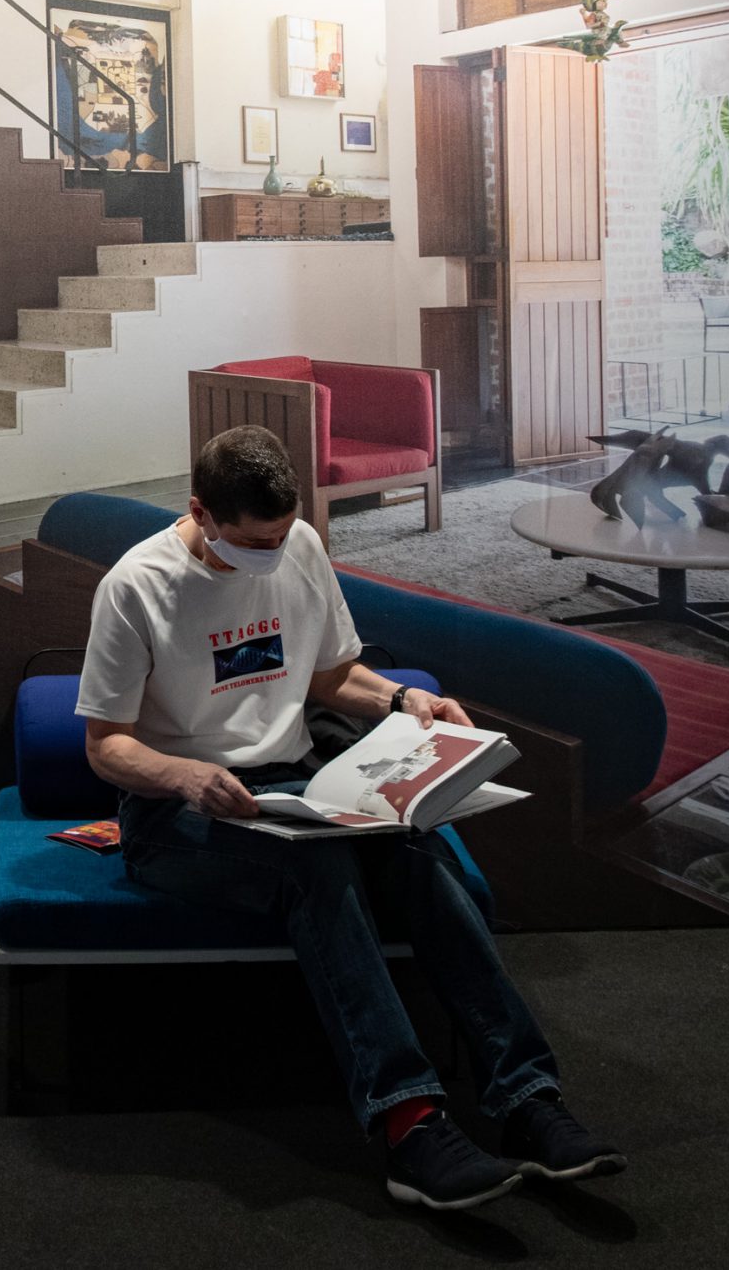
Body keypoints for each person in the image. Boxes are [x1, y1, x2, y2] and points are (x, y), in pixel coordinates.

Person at [76, 426, 626, 1212]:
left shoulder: (296, 544)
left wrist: (406, 701)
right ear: (199, 511)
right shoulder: (136, 586)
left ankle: (528, 1097)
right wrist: (190, 774)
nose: (274, 550)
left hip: (295, 782)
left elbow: (332, 675)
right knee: (316, 865)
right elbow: (105, 746)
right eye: (253, 540)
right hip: (174, 815)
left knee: (417, 850)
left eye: (282, 532)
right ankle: (410, 1124)